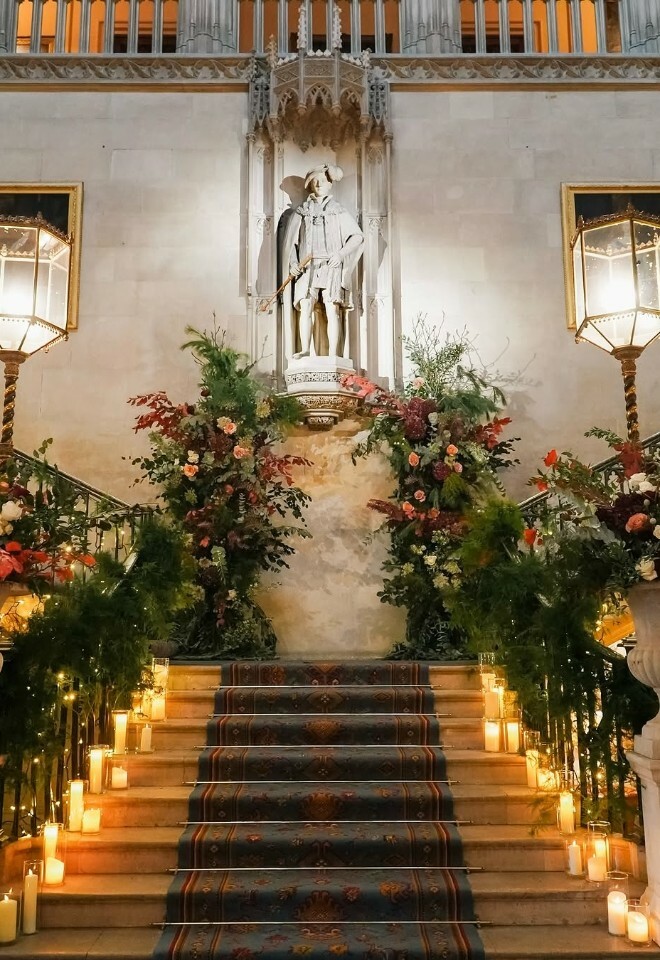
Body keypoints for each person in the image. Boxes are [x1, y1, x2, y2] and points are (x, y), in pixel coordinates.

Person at [280, 164, 364, 360]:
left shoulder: (337, 210)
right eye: (315, 181)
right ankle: (306, 350)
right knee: (306, 305)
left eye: (323, 181)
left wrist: (341, 254)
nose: (318, 184)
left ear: (330, 185)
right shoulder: (302, 211)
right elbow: (291, 243)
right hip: (306, 267)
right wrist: (293, 262)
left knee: (331, 306)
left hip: (330, 265)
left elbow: (357, 237)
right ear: (310, 185)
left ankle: (335, 353)